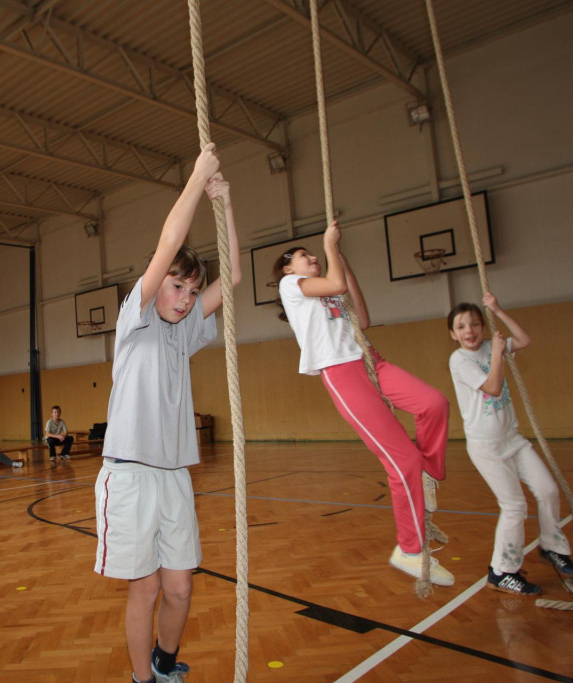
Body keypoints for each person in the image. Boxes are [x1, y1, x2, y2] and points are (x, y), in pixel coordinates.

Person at [95, 145, 240, 683]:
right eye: (177, 287)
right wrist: (198, 175)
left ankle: (164, 662)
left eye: (191, 291)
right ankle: (142, 680)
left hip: (175, 476)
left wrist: (225, 206)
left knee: (180, 586)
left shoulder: (186, 333)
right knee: (148, 587)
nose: (184, 299)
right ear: (158, 287)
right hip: (130, 474)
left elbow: (237, 278)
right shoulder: (135, 322)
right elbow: (169, 243)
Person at [273, 222, 454, 586]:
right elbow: (335, 284)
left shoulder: (327, 291)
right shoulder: (290, 286)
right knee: (401, 459)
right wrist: (327, 245)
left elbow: (363, 318)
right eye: (302, 255)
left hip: (371, 360)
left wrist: (340, 259)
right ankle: (410, 550)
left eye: (312, 253)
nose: (310, 257)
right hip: (342, 373)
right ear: (287, 269)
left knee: (434, 403)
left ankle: (429, 472)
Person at [448, 293, 573, 595]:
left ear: (482, 328)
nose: (469, 331)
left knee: (547, 489)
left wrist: (498, 310)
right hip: (486, 447)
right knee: (514, 506)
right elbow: (493, 388)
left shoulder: (489, 346)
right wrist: (496, 352)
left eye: (475, 324)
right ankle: (501, 571)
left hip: (513, 439)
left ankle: (551, 547)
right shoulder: (459, 360)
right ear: (453, 334)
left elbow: (523, 339)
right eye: (462, 326)